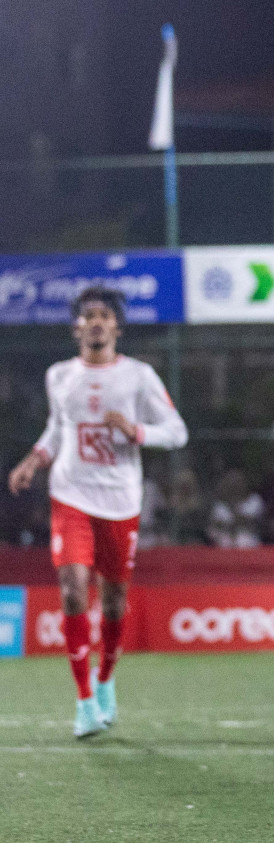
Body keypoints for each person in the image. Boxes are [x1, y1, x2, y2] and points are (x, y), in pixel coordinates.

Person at [6, 286, 187, 738]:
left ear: (118, 328)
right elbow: (57, 429)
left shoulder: (139, 376)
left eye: (106, 315)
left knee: (113, 600)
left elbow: (177, 432)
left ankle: (106, 680)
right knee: (72, 589)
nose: (97, 322)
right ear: (77, 328)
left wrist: (136, 430)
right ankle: (84, 701)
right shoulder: (59, 376)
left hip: (121, 501)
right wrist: (33, 461)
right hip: (71, 495)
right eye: (89, 316)